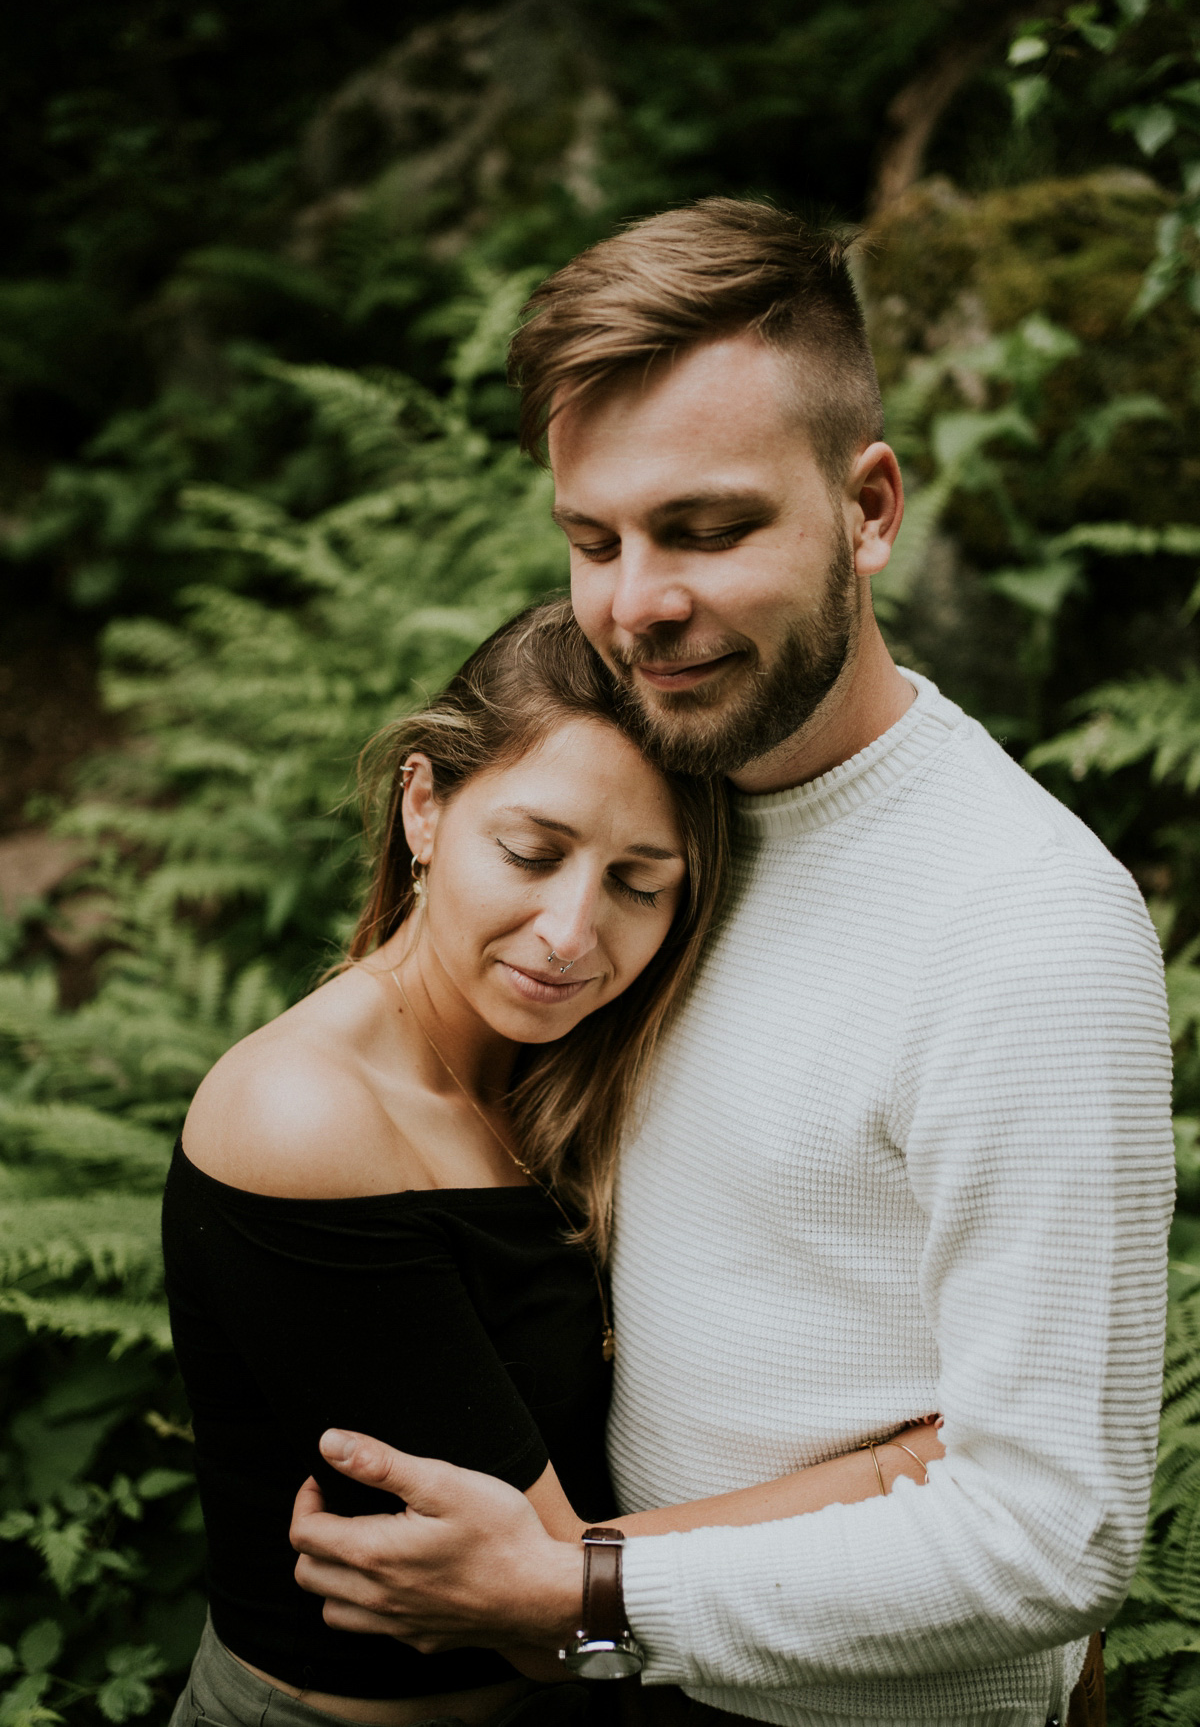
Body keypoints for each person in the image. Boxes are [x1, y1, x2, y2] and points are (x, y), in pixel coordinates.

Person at [288, 200, 1176, 1727]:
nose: (639, 604)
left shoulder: (1022, 926)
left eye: (707, 529)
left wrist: (582, 1590)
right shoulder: (658, 829)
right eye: (594, 539)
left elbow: (1055, 1530)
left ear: (870, 507)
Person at [163, 597, 946, 1727]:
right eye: (532, 852)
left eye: (639, 884)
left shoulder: (573, 1076)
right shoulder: (308, 1116)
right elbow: (555, 1616)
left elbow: (577, 1583)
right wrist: (908, 1474)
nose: (572, 932)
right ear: (424, 805)